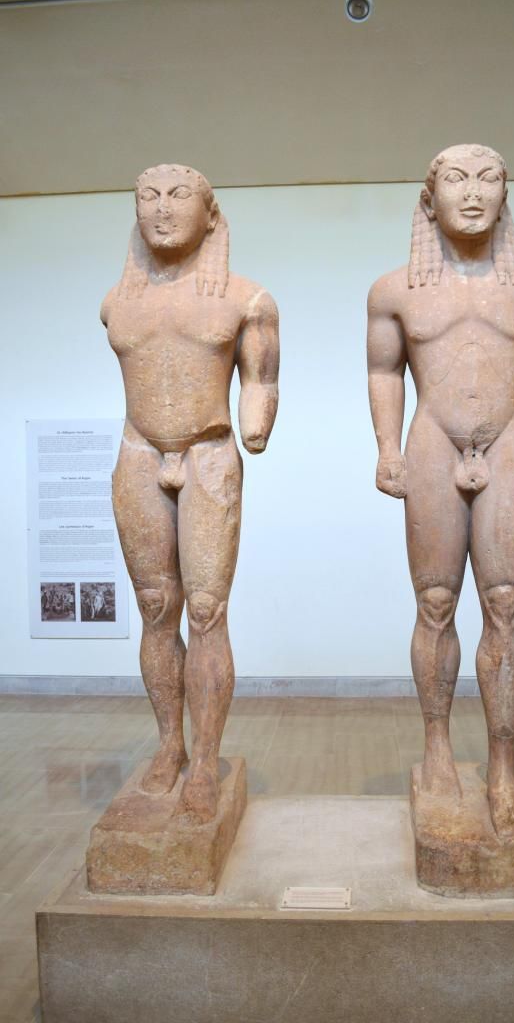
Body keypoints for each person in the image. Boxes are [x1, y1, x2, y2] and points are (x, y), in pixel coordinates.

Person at [367, 144, 514, 839]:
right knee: (435, 601)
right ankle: (437, 747)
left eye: (488, 179)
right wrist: (387, 447)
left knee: (506, 604)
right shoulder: (395, 291)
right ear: (430, 200)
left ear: (506, 195)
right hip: (432, 441)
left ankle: (503, 768)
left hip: (509, 443)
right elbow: (384, 372)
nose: (474, 192)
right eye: (456, 179)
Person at [102, 164, 279, 822]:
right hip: (138, 452)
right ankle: (169, 744)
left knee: (204, 610)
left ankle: (205, 759)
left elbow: (262, 379)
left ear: (211, 215)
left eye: (179, 196)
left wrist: (258, 418)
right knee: (155, 607)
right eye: (147, 196)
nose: (161, 208)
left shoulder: (247, 299)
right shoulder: (116, 303)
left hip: (208, 452)